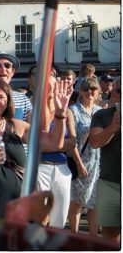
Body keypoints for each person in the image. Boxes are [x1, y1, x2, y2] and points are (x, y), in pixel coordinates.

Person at [0, 77, 72, 250]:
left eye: (1, 97)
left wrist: (60, 114)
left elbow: (55, 143)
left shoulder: (16, 126)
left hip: (19, 209)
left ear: (8, 102)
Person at [36, 69, 77, 229]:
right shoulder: (35, 110)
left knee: (59, 220)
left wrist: (56, 144)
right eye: (47, 85)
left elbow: (72, 142)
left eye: (53, 84)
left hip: (62, 169)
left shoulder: (67, 111)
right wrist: (48, 100)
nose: (51, 88)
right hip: (40, 168)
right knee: (39, 218)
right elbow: (40, 140)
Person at [68, 77, 102, 236]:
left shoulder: (100, 112)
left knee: (94, 204)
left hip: (98, 164)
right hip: (80, 162)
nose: (90, 92)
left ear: (98, 92)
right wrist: (79, 163)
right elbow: (72, 142)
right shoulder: (73, 111)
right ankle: (75, 239)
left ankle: (93, 240)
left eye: (93, 89)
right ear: (80, 91)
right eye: (86, 89)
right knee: (76, 203)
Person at [89, 77, 121, 243]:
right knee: (109, 233)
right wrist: (112, 128)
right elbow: (95, 142)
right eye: (119, 91)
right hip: (109, 183)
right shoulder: (102, 115)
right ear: (113, 93)